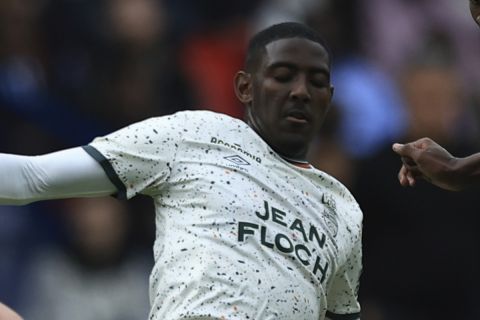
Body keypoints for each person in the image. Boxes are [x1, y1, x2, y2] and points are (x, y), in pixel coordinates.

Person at [0, 22, 363, 320]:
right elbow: (32, 177)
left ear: (328, 98)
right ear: (245, 87)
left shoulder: (341, 208)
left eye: (316, 82)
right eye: (283, 76)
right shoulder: (195, 136)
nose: (300, 91)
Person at [392, 0, 480, 191]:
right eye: (422, 97)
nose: (430, 107)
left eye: (438, 97)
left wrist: (456, 168)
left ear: (457, 100)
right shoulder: (375, 169)